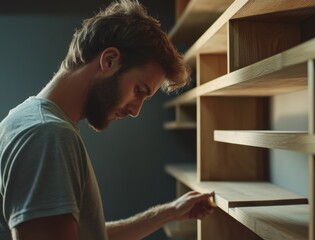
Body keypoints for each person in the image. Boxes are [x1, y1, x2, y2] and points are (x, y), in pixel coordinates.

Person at [0, 0, 215, 239]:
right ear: (110, 60)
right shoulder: (48, 136)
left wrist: (170, 212)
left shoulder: (26, 119)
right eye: (139, 91)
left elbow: (89, 235)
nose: (135, 110)